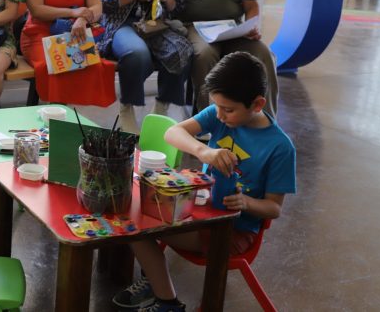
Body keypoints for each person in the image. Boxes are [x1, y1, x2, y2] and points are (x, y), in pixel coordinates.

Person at [112, 52, 296, 312]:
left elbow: (274, 208)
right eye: (216, 106)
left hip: (232, 231)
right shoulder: (219, 113)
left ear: (257, 104)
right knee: (132, 213)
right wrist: (203, 151)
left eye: (228, 110)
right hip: (199, 210)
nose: (219, 115)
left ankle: (167, 301)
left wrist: (245, 202)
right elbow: (172, 132)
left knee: (137, 228)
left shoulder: (280, 148)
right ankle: (155, 280)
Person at [98, 0, 192, 133]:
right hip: (122, 25)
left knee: (182, 49)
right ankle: (127, 107)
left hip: (155, 25)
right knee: (137, 53)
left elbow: (178, 6)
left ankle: (161, 106)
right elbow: (101, 3)